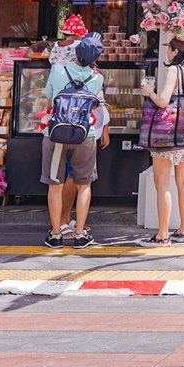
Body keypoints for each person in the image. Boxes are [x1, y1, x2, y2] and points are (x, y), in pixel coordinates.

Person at [40, 33, 109, 249]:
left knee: (55, 184)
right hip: (84, 134)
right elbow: (97, 105)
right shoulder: (98, 78)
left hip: (56, 133)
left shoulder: (58, 70)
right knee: (84, 184)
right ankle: (80, 234)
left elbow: (49, 97)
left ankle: (55, 234)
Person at [138, 35, 184, 247]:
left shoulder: (174, 70)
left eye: (170, 49)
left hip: (168, 133)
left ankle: (162, 235)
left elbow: (163, 101)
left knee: (162, 183)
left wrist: (149, 92)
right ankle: (183, 229)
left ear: (176, 52)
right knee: (183, 182)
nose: (167, 52)